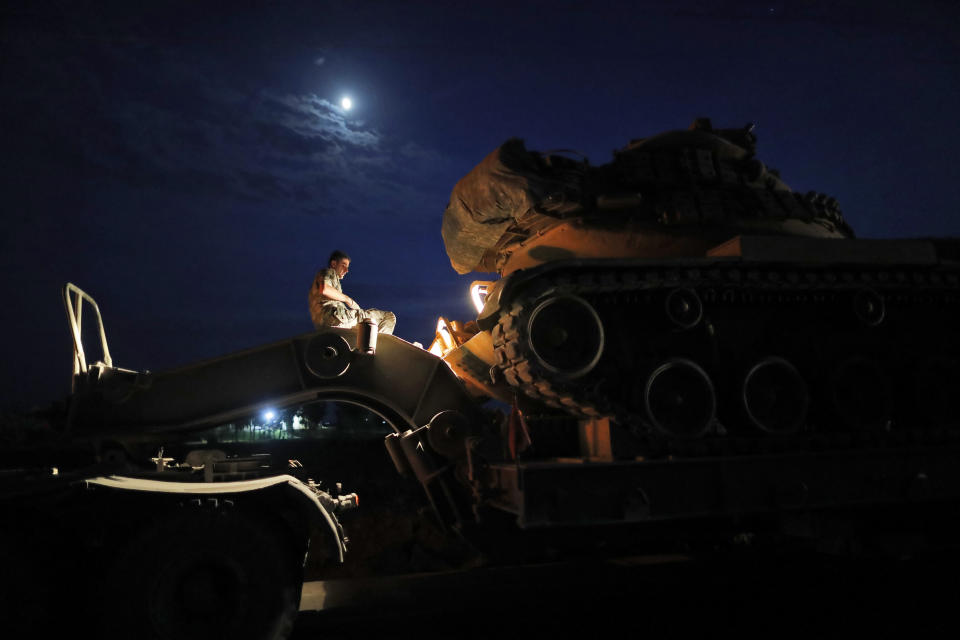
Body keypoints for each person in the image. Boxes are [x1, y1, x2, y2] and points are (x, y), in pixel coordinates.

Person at [308, 250, 397, 335]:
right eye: (343, 265)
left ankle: (367, 340)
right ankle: (380, 344)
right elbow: (324, 289)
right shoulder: (328, 272)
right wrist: (348, 299)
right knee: (388, 316)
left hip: (325, 324)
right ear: (334, 264)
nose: (347, 270)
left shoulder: (317, 288)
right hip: (336, 318)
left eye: (348, 267)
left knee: (363, 323)